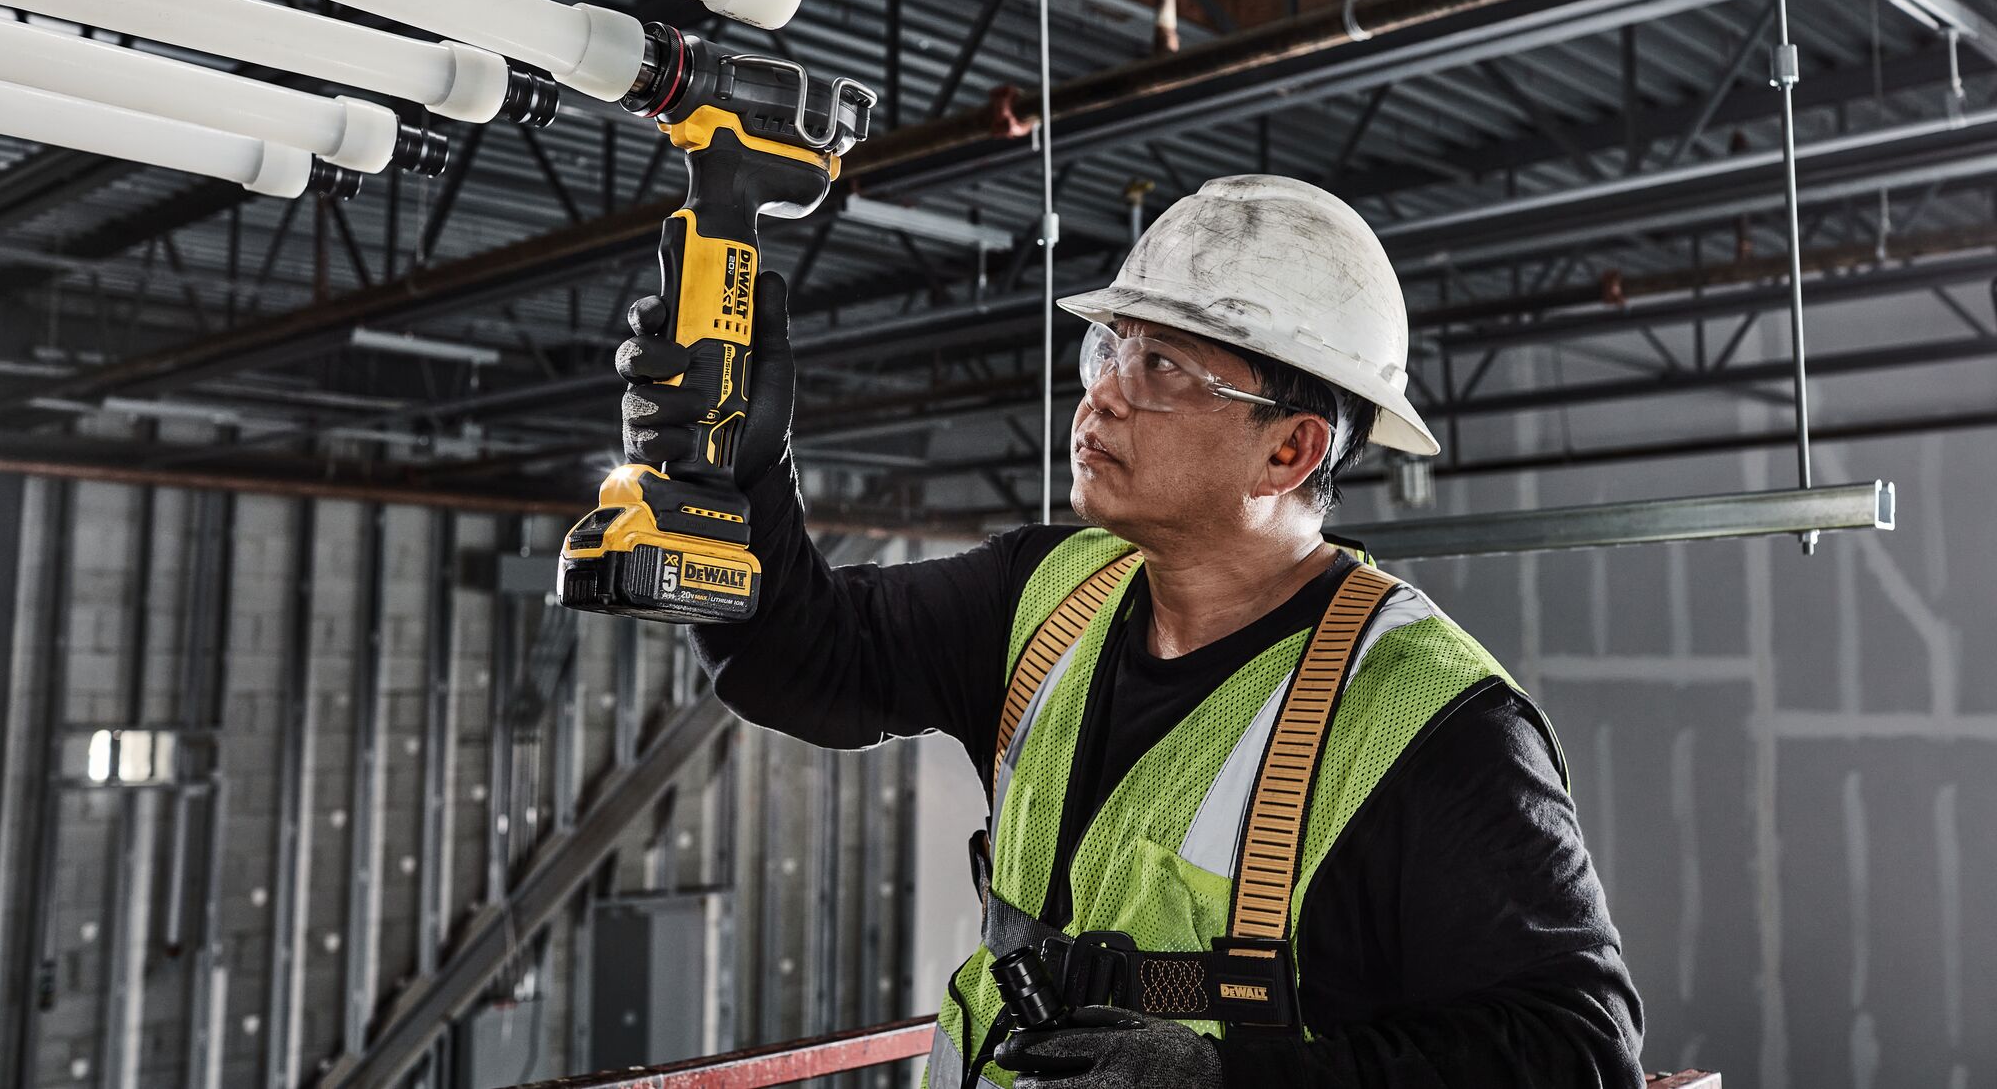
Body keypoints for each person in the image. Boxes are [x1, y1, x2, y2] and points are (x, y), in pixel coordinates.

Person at [617, 174, 1644, 1089]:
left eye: (1161, 368)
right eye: (1109, 347)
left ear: (1289, 449)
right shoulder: (1047, 593)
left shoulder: (1432, 725)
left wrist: (1226, 1079)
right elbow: (800, 661)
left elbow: (1576, 1051)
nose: (1099, 393)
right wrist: (729, 473)